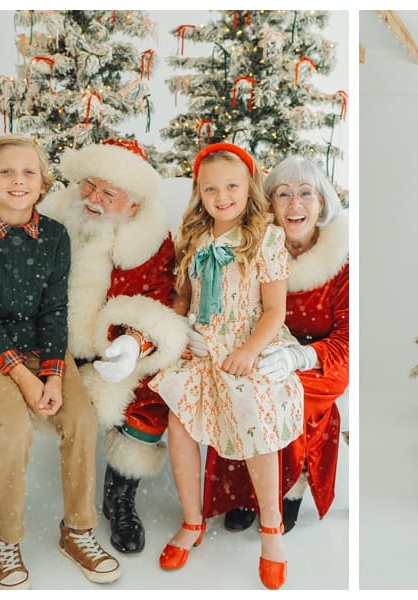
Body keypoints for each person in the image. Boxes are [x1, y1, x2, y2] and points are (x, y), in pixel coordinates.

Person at [0, 138, 184, 574]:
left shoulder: (141, 242)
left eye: (109, 193)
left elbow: (158, 302)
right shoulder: (0, 228)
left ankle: (99, 513)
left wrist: (127, 343)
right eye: (89, 186)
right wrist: (30, 377)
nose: (94, 200)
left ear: (133, 205)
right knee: (0, 419)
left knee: (98, 414)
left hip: (83, 353)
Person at [0, 134, 120, 589]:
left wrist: (51, 373)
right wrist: (24, 382)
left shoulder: (55, 236)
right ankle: (5, 538)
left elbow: (54, 309)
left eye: (29, 172)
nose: (18, 180)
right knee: (13, 426)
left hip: (42, 344)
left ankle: (77, 530)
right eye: (6, 172)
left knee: (82, 420)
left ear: (43, 181)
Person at [148, 143, 304, 590]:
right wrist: (183, 329)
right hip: (202, 346)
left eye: (232, 186)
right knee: (180, 425)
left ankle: (272, 531)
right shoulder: (194, 237)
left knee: (255, 423)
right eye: (211, 188)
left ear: (249, 187)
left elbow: (275, 309)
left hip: (248, 341)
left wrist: (251, 351)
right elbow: (184, 297)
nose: (222, 196)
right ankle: (192, 521)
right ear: (199, 192)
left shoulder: (267, 238)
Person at [203, 155, 349, 534]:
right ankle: (244, 491)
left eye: (305, 193)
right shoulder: (255, 247)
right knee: (236, 385)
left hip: (323, 359)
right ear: (268, 205)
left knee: (287, 393)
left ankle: (289, 490)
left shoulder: (342, 264)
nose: (294, 204)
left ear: (322, 203)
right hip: (259, 343)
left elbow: (347, 340)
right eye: (282, 194)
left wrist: (300, 356)